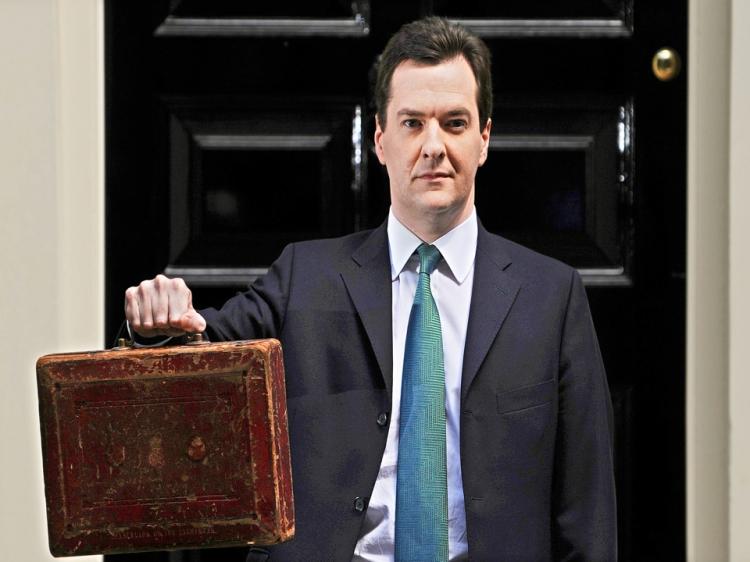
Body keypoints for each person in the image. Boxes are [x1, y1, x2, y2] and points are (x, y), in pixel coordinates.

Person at [125, 17, 616, 562]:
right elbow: (199, 364)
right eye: (412, 123)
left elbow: (586, 504)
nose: (433, 146)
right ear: (380, 140)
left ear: (484, 139)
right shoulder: (304, 276)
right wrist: (157, 326)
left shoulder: (551, 295)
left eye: (454, 123)